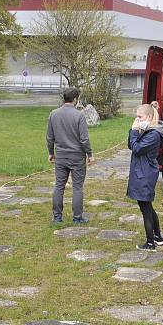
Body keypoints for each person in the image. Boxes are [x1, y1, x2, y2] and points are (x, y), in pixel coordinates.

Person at [47, 87, 94, 223]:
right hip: (77, 157)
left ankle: (57, 217)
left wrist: (51, 153)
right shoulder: (79, 115)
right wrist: (90, 154)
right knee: (77, 187)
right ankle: (77, 217)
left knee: (59, 186)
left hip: (61, 156)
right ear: (75, 99)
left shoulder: (53, 114)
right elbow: (84, 139)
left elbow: (50, 137)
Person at [127, 102, 163, 250]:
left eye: (140, 117)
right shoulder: (147, 131)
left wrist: (134, 132)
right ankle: (158, 236)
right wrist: (134, 132)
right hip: (142, 171)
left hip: (145, 173)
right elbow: (131, 145)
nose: (137, 120)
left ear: (149, 117)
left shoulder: (154, 134)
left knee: (145, 207)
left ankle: (150, 242)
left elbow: (137, 148)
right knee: (147, 206)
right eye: (136, 117)